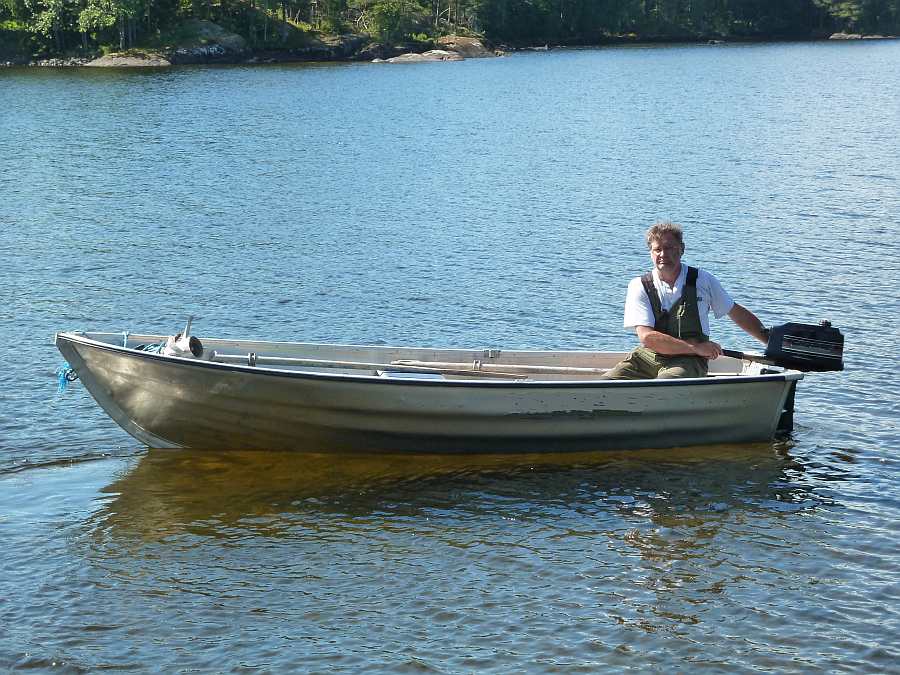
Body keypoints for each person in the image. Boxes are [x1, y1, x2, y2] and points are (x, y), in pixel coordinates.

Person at [602, 221, 769, 380]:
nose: (663, 254)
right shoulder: (639, 285)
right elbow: (647, 337)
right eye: (657, 249)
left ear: (682, 249)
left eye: (669, 248)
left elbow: (734, 311)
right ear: (650, 253)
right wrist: (696, 347)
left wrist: (769, 341)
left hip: (690, 360)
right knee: (605, 383)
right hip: (649, 357)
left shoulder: (703, 280)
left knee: (667, 381)